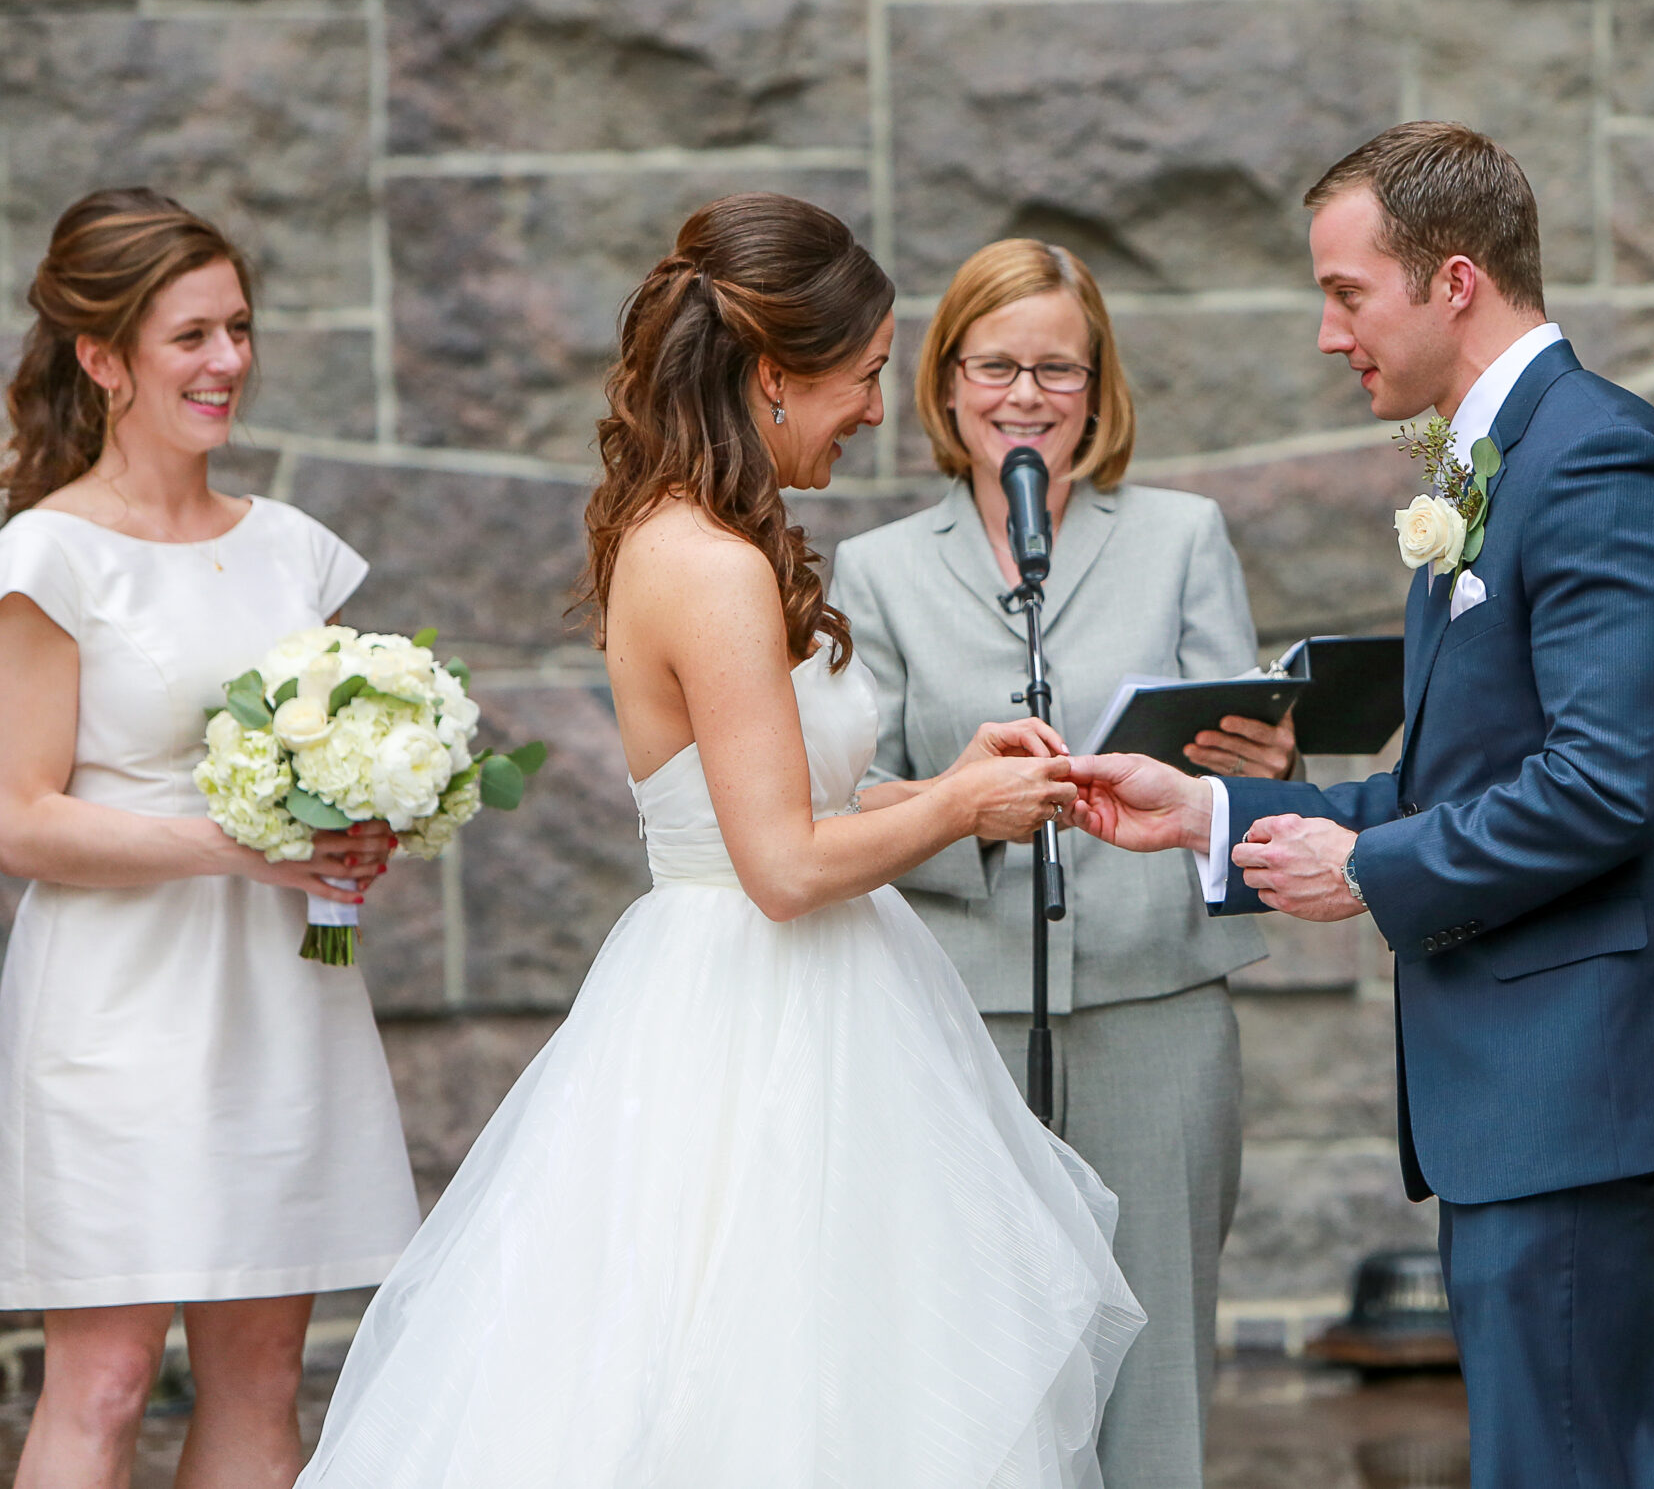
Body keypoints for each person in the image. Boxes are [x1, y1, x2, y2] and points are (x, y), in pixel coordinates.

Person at [296, 194, 1141, 1487]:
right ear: (770, 375)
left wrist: (943, 776)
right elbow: (784, 866)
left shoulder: (702, 533)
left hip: (815, 998)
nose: (875, 408)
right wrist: (961, 811)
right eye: (861, 376)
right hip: (756, 1021)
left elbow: (784, 806)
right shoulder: (709, 562)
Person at [1071, 122, 1654, 1489]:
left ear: (1454, 282)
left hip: (1577, 1069)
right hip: (1531, 1077)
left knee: (1570, 1458)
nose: (1323, 333)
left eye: (1347, 293)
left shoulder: (1597, 462)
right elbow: (1451, 784)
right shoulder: (1496, 462)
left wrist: (1371, 868)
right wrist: (1207, 819)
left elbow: (1608, 782)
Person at [831, 238, 1288, 1489]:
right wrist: (964, 807)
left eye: (1058, 368)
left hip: (1155, 1002)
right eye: (996, 364)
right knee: (969, 1350)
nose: (1026, 395)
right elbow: (845, 796)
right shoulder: (875, 569)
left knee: (1156, 1354)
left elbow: (1234, 783)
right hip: (958, 1009)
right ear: (945, 380)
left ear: (1100, 389)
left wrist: (1261, 763)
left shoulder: (1182, 537)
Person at [0, 188, 418, 1487]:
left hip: (280, 997)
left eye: (238, 327)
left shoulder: (291, 548)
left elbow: (322, 759)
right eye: (191, 335)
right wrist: (236, 846)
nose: (228, 360)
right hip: (117, 1013)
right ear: (103, 357)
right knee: (108, 1382)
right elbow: (19, 816)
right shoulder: (51, 555)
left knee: (260, 1382)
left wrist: (368, 816)